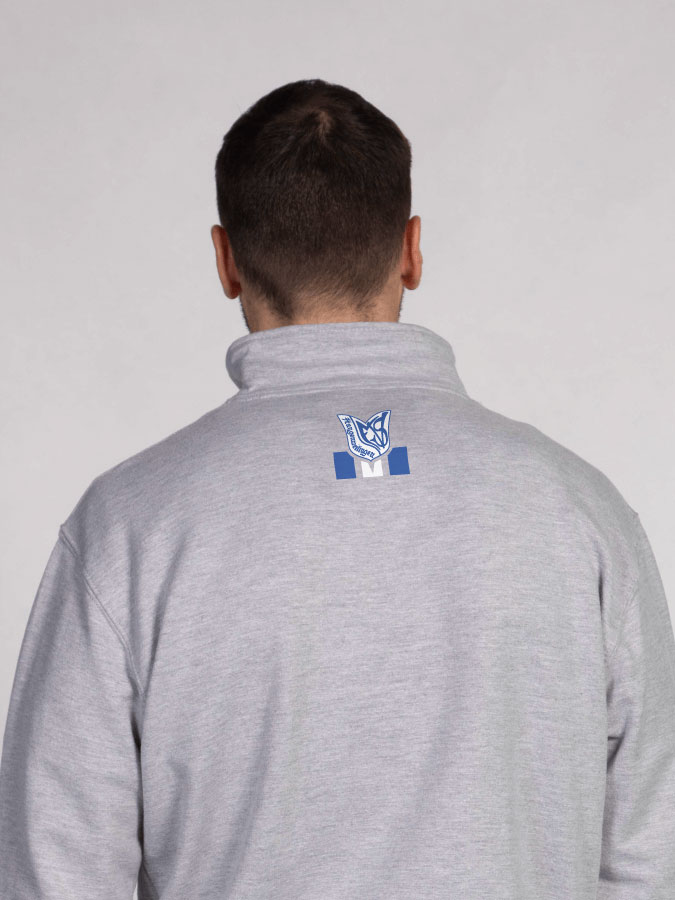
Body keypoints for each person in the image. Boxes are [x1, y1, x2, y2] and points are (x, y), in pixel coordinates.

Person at [0, 77, 674, 900]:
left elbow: (57, 873)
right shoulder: (581, 512)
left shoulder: (129, 527)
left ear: (225, 261)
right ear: (412, 250)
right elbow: (649, 857)